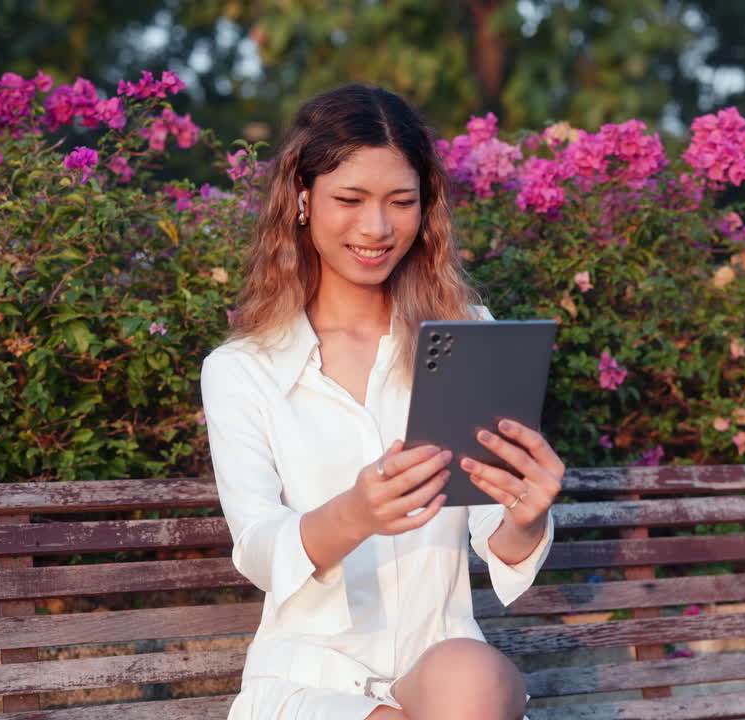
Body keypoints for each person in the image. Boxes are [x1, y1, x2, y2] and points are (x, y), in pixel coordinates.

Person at [199, 84, 563, 720]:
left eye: (401, 202)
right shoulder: (242, 370)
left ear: (426, 210)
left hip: (441, 671)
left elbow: (492, 531)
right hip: (307, 681)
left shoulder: (467, 333)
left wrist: (526, 515)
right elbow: (257, 547)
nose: (377, 228)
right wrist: (354, 513)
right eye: (350, 199)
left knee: (476, 679)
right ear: (302, 199)